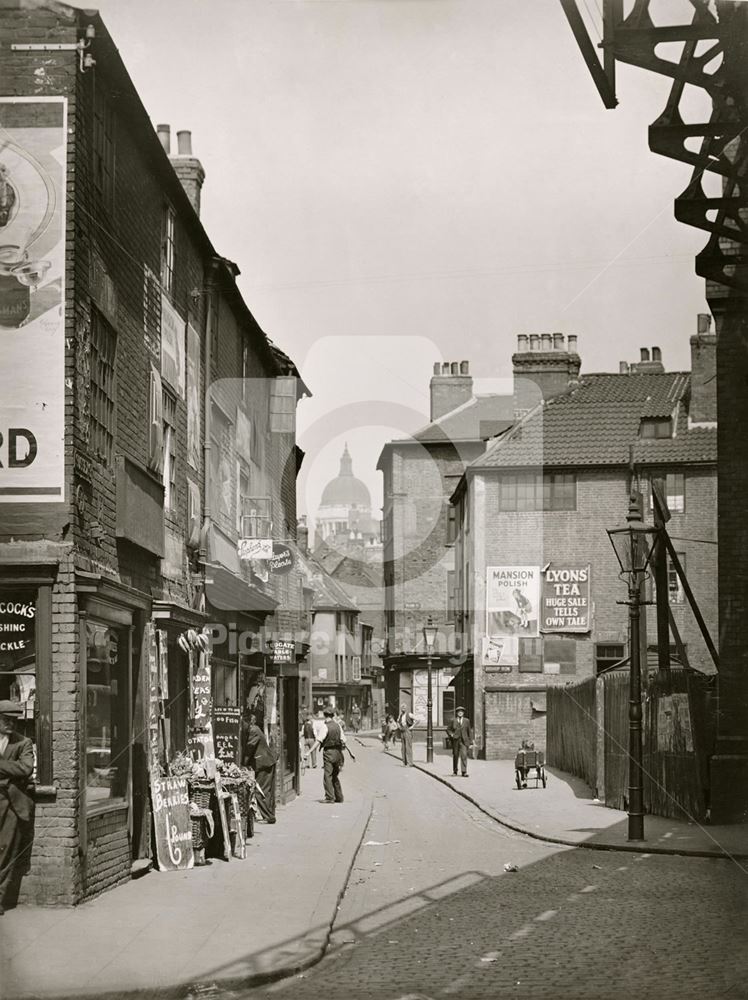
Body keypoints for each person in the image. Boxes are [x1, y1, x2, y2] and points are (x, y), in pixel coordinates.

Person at [0, 700, 34, 915]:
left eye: (14, 720)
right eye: (6, 720)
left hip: (12, 803)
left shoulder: (24, 742)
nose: (11, 724)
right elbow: (17, 769)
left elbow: (25, 768)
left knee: (5, 851)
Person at [304, 708, 346, 803]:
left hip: (329, 753)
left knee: (328, 775)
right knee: (335, 775)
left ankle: (330, 797)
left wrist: (309, 751)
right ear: (332, 716)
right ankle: (339, 797)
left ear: (325, 716)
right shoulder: (338, 726)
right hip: (338, 753)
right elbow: (343, 740)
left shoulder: (325, 727)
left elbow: (318, 741)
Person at [242, 713, 277, 823]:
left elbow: (249, 748)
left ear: (248, 722)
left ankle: (268, 817)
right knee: (266, 790)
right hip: (266, 762)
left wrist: (243, 763)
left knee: (261, 791)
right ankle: (270, 815)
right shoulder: (255, 729)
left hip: (263, 763)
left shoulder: (254, 731)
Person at [446, 706, 474, 777]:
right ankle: (455, 771)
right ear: (457, 713)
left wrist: (471, 742)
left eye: (461, 712)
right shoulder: (453, 720)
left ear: (463, 713)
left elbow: (469, 732)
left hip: (464, 741)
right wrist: (451, 734)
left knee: (464, 755)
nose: (460, 713)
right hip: (456, 741)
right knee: (455, 756)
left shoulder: (466, 721)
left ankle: (464, 772)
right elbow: (448, 729)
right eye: (459, 712)